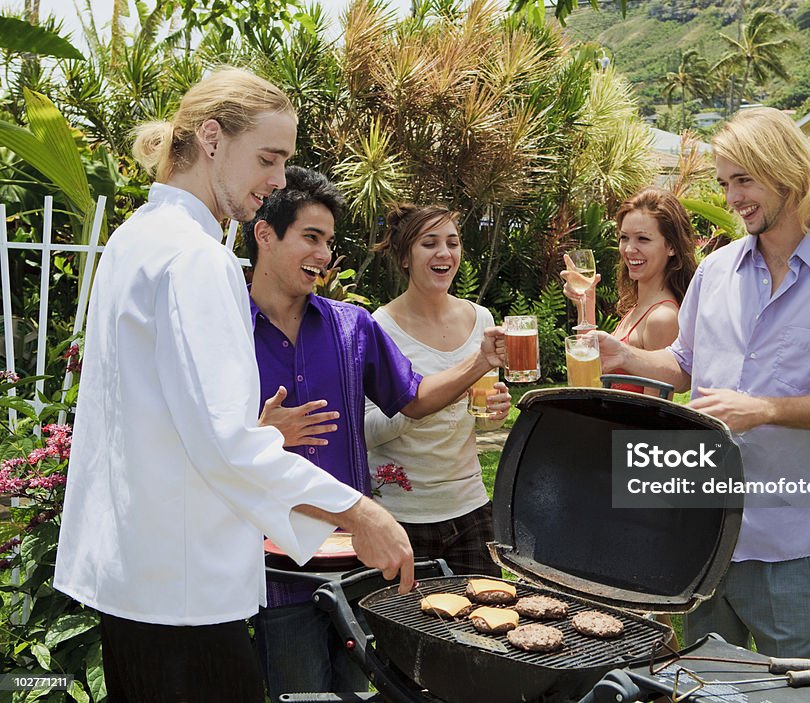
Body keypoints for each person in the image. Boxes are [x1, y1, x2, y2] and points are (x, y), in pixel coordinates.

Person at [53, 69, 415, 703]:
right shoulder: (198, 257)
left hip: (134, 575)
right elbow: (225, 442)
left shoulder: (133, 239)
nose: (277, 181)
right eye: (268, 159)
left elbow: (164, 418)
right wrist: (358, 511)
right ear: (212, 138)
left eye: (284, 162)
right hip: (185, 591)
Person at [594, 107, 810, 658]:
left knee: (792, 689)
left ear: (786, 171)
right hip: (703, 525)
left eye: (744, 180)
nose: (733, 198)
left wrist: (764, 409)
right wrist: (624, 356)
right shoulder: (715, 272)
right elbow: (683, 365)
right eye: (724, 183)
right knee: (708, 681)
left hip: (788, 535)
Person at [244, 170, 508, 700]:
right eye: (310, 238)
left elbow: (413, 398)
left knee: (363, 691)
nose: (322, 255)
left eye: (328, 242)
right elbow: (195, 432)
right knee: (300, 694)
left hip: (355, 561)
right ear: (265, 235)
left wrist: (478, 362)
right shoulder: (225, 328)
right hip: (274, 569)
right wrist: (256, 433)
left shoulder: (351, 326)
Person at [364, 204, 512, 578]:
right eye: (429, 243)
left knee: (485, 626)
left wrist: (492, 414)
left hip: (471, 508)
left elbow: (477, 423)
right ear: (404, 258)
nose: (444, 253)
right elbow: (366, 431)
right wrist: (427, 398)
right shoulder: (378, 328)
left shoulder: (481, 319)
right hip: (402, 516)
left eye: (452, 242)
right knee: (410, 634)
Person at [562, 186, 698, 394]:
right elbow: (590, 370)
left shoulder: (662, 318)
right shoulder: (640, 307)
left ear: (671, 246)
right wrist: (586, 302)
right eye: (624, 237)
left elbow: (654, 412)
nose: (628, 249)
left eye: (643, 239)